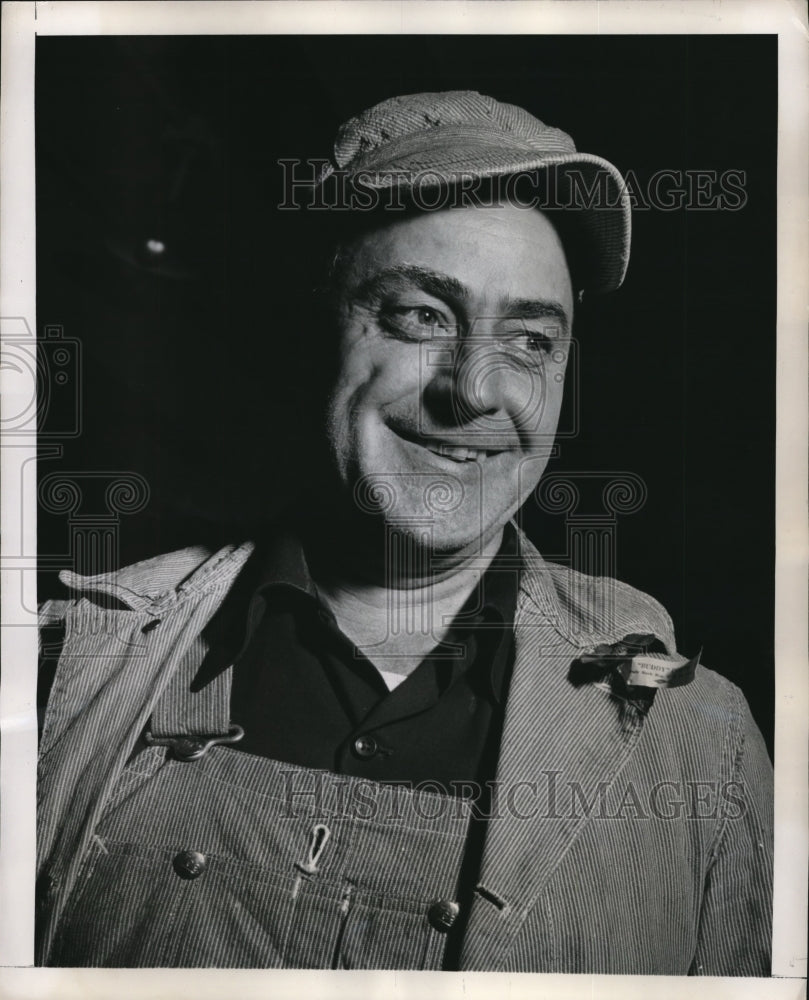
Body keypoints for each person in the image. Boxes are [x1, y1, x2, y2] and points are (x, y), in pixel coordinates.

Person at [36, 90, 772, 973]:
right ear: (315, 326)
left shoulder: (698, 742)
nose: (472, 390)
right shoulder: (67, 671)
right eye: (422, 315)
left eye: (531, 341)